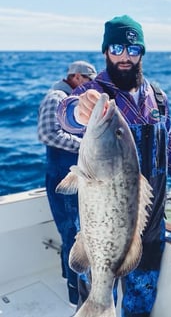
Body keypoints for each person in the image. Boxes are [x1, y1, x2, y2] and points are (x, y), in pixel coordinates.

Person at [57, 15, 171, 316]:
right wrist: (79, 110)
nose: (124, 57)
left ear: (141, 53)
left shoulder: (157, 97)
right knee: (93, 290)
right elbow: (64, 114)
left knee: (141, 297)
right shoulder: (94, 93)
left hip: (151, 216)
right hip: (101, 219)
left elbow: (168, 140)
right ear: (106, 51)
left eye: (133, 50)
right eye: (117, 48)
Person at [37, 60, 97, 306]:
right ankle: (77, 298)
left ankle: (69, 279)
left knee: (72, 233)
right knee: (74, 235)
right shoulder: (57, 97)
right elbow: (47, 134)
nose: (91, 86)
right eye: (88, 80)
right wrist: (90, 146)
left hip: (74, 179)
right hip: (63, 180)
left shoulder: (74, 101)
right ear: (76, 77)